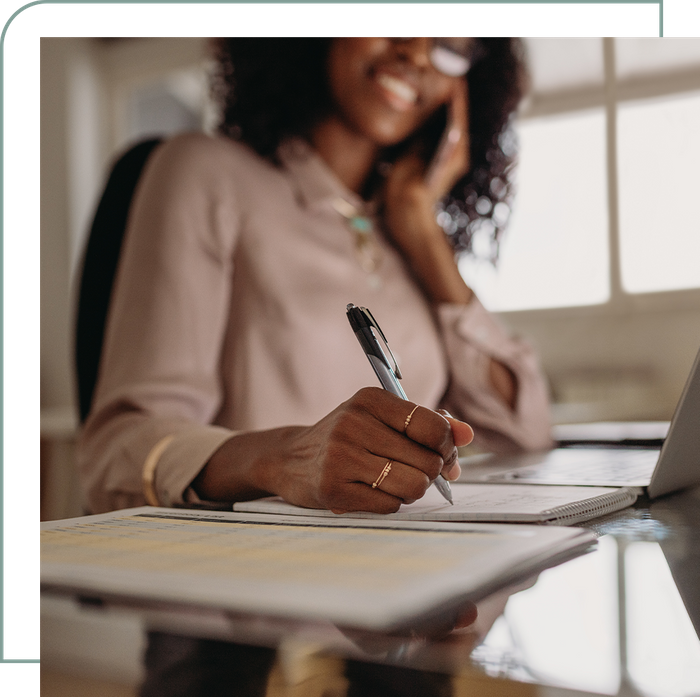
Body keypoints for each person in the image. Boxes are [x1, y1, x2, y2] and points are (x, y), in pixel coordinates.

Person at [78, 36, 553, 518]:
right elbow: (116, 454)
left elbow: (527, 435)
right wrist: (282, 460)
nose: (415, 52)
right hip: (254, 573)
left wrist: (421, 228)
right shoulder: (205, 173)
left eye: (449, 43)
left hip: (404, 568)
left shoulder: (406, 237)